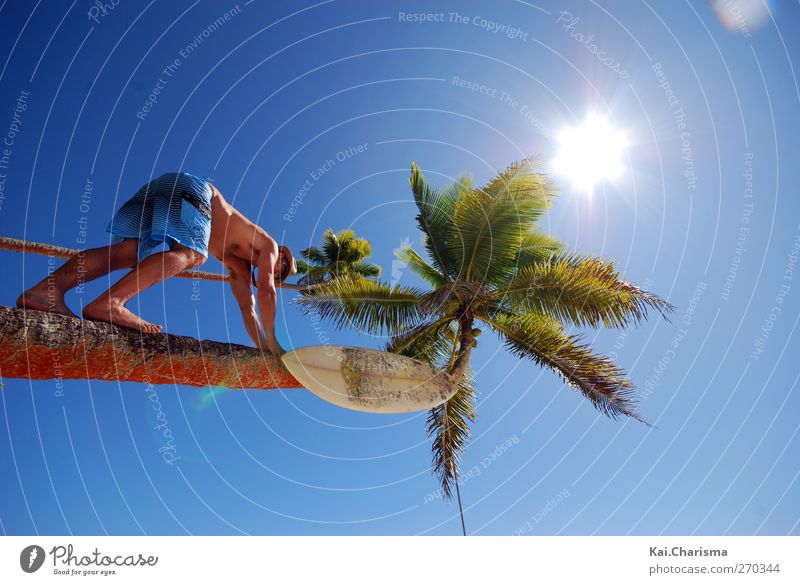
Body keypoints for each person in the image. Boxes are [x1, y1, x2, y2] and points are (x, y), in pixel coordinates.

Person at [16, 172, 296, 356]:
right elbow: (266, 292)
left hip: (168, 187)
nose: (276, 272)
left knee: (128, 253)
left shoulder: (237, 265)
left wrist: (266, 350)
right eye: (282, 268)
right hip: (196, 192)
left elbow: (248, 309)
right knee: (194, 255)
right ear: (281, 255)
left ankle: (45, 291)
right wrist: (275, 340)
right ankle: (111, 303)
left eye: (281, 274)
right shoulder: (267, 244)